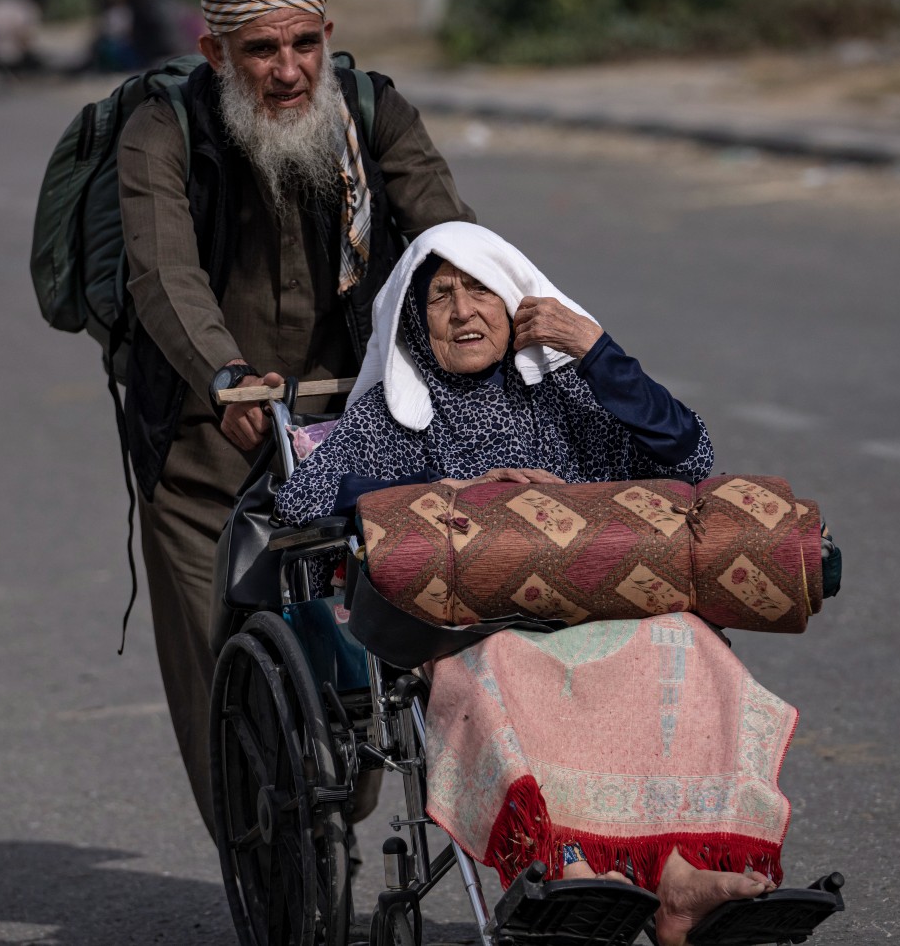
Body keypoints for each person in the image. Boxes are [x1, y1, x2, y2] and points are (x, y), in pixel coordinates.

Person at [276, 222, 790, 946]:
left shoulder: (561, 397)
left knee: (687, 644)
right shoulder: (394, 415)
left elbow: (689, 452)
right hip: (477, 631)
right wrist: (446, 491)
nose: (463, 312)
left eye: (481, 289)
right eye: (442, 296)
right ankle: (569, 861)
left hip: (597, 611)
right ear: (414, 320)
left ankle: (679, 875)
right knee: (512, 667)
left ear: (514, 301)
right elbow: (301, 500)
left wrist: (596, 352)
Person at [116, 0, 475, 835]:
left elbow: (449, 234)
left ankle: (335, 797)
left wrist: (505, 324)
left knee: (375, 670)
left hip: (358, 426)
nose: (288, 72)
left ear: (327, 35)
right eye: (261, 51)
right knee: (221, 679)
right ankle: (262, 857)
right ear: (214, 53)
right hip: (209, 442)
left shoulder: (372, 110)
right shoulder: (165, 130)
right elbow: (163, 274)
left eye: (305, 45)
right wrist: (225, 377)